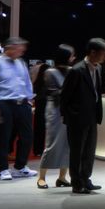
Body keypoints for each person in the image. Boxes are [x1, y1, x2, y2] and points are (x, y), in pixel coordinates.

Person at [60, 38, 105, 194]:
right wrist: (71, 116)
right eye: (104, 52)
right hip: (77, 118)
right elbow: (65, 97)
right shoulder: (76, 70)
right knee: (77, 152)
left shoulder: (98, 68)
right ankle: (77, 183)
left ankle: (86, 179)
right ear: (93, 52)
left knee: (89, 151)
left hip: (92, 116)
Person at [0, 36, 37, 180]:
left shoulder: (21, 63)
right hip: (4, 104)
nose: (22, 51)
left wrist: (29, 99)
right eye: (20, 49)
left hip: (22, 103)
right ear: (10, 48)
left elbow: (27, 82)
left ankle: (20, 167)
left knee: (27, 136)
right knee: (4, 137)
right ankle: (2, 169)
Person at [37, 44, 74, 190]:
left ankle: (62, 177)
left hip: (68, 110)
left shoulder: (71, 71)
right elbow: (53, 92)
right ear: (65, 56)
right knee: (51, 143)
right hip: (55, 109)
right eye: (71, 55)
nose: (73, 57)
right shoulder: (50, 72)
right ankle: (41, 178)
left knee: (67, 144)